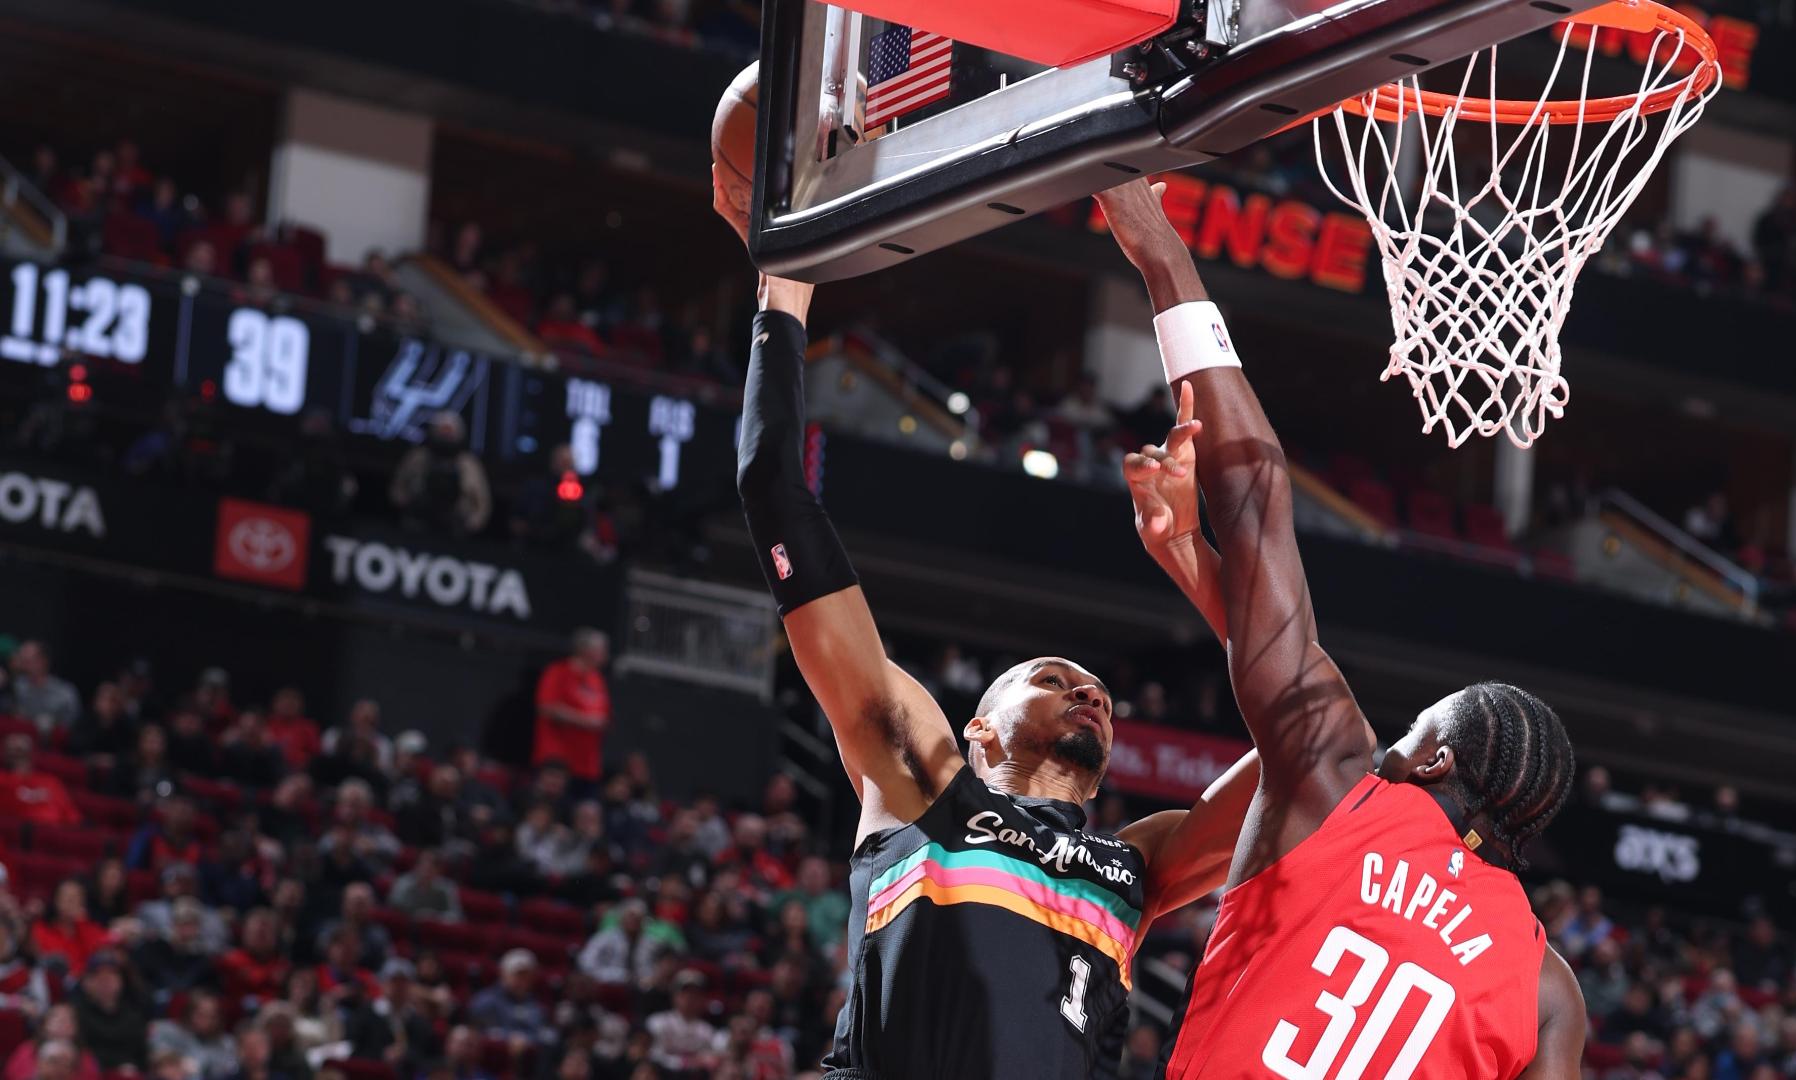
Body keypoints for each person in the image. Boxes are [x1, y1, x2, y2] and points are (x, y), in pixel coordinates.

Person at [717, 175, 1259, 1079]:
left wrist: (1195, 558)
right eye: (1051, 678)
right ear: (977, 726)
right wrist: (786, 289)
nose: (1088, 692)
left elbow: (1318, 740)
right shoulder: (921, 779)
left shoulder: (1139, 862)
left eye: (1097, 694)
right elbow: (774, 491)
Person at [1090, 178, 1583, 1080]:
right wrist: (1191, 557)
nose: (1387, 737)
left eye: (1412, 730)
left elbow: (1260, 502)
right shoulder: (1551, 992)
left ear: (1433, 760)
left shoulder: (1342, 786)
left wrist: (1161, 253)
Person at [390, 411, 492, 536]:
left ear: (459, 434)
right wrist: (406, 505)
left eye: (449, 432)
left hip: (454, 528)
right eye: (443, 432)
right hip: (417, 523)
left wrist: (471, 524)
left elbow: (482, 503)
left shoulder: (469, 465)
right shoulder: (417, 458)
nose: (446, 437)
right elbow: (397, 488)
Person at [533, 629, 612, 782]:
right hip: (555, 762)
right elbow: (546, 708)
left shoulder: (597, 679)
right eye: (601, 650)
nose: (605, 656)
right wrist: (585, 721)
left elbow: (603, 717)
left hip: (586, 765)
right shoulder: (558, 672)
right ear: (585, 650)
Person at [0, 734, 81, 827]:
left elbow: (71, 815)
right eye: (11, 750)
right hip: (19, 833)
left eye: (20, 750)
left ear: (30, 754)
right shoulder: (2, 779)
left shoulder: (51, 781)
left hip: (54, 832)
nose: (16, 754)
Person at [8, 642, 80, 737]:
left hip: (52, 743)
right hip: (20, 740)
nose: (24, 666)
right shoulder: (14, 687)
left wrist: (54, 725)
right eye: (22, 660)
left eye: (28, 661)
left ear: (43, 661)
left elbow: (73, 725)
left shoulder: (65, 692)